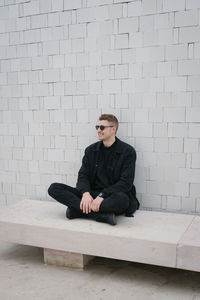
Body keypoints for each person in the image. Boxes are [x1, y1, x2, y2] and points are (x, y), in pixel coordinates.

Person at [48, 114, 139, 225]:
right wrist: (86, 194)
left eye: (102, 127)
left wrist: (102, 196)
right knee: (54, 188)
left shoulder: (127, 152)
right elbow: (83, 175)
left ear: (113, 129)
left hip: (111, 196)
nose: (98, 130)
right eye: (97, 127)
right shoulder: (91, 150)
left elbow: (125, 183)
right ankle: (100, 216)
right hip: (91, 195)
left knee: (123, 200)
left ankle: (77, 210)